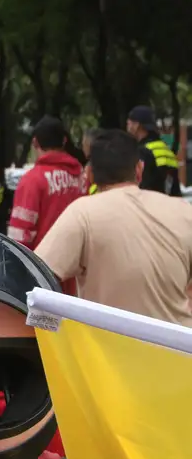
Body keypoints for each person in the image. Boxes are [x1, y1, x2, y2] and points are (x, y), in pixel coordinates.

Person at [35, 129, 192, 327]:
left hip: (106, 345)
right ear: (139, 169)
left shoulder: (83, 213)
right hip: (179, 344)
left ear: (89, 174)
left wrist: (58, 329)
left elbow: (34, 276)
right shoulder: (184, 211)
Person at [7, 116, 84, 253]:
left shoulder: (32, 180)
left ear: (35, 142)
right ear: (64, 140)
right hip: (75, 262)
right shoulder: (81, 177)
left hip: (42, 263)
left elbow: (19, 237)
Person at [127, 105, 182, 197]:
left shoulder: (142, 151)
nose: (127, 127)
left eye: (129, 123)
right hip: (170, 203)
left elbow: (142, 186)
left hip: (149, 203)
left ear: (136, 125)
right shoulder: (166, 150)